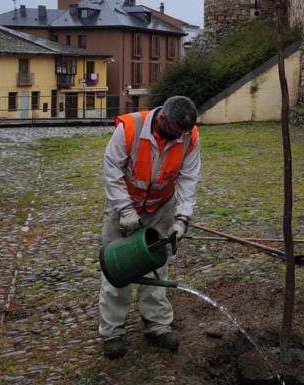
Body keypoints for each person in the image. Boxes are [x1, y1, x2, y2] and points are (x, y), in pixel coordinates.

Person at [99, 96, 200, 359]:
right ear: (163, 118)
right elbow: (112, 169)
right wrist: (125, 210)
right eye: (175, 131)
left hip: (161, 207)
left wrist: (181, 219)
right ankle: (112, 332)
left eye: (182, 133)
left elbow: (189, 179)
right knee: (118, 265)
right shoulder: (131, 128)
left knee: (157, 265)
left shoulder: (189, 138)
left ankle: (156, 326)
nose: (179, 137)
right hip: (124, 204)